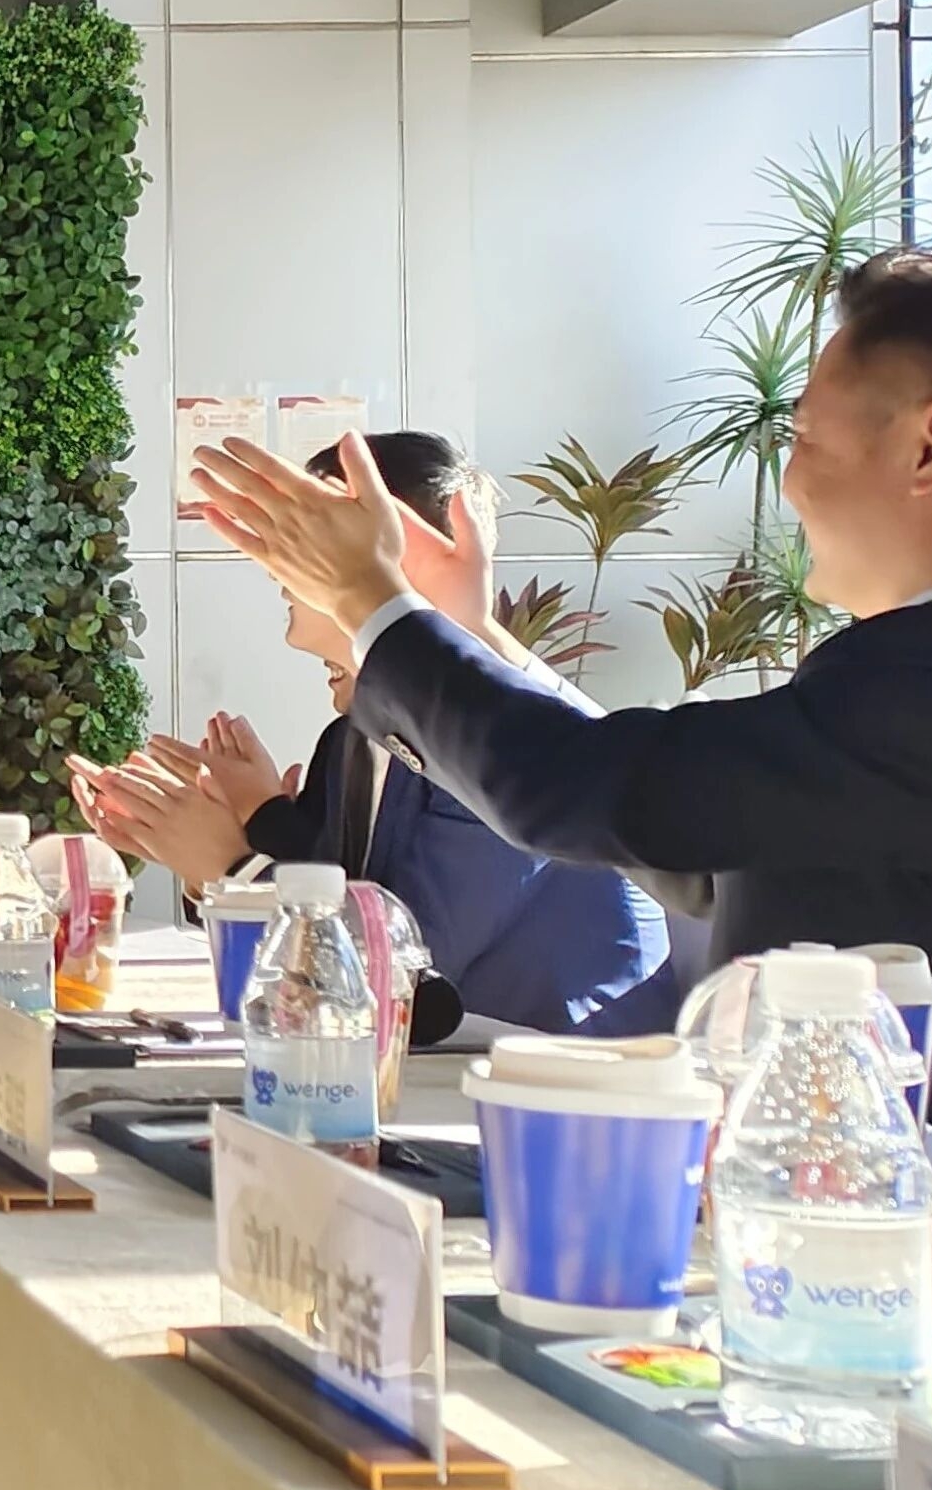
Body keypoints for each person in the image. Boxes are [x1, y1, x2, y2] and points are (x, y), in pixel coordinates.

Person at [191, 236, 932, 1163]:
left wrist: (373, 605)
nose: (790, 479)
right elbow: (693, 833)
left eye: (806, 437)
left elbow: (608, 794)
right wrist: (464, 632)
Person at [69, 432, 679, 1037]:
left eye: (303, 561)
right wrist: (243, 825)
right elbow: (339, 904)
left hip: (558, 1080)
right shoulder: (351, 743)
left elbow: (398, 979)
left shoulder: (509, 745)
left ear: (395, 564)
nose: (285, 594)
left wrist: (232, 866)